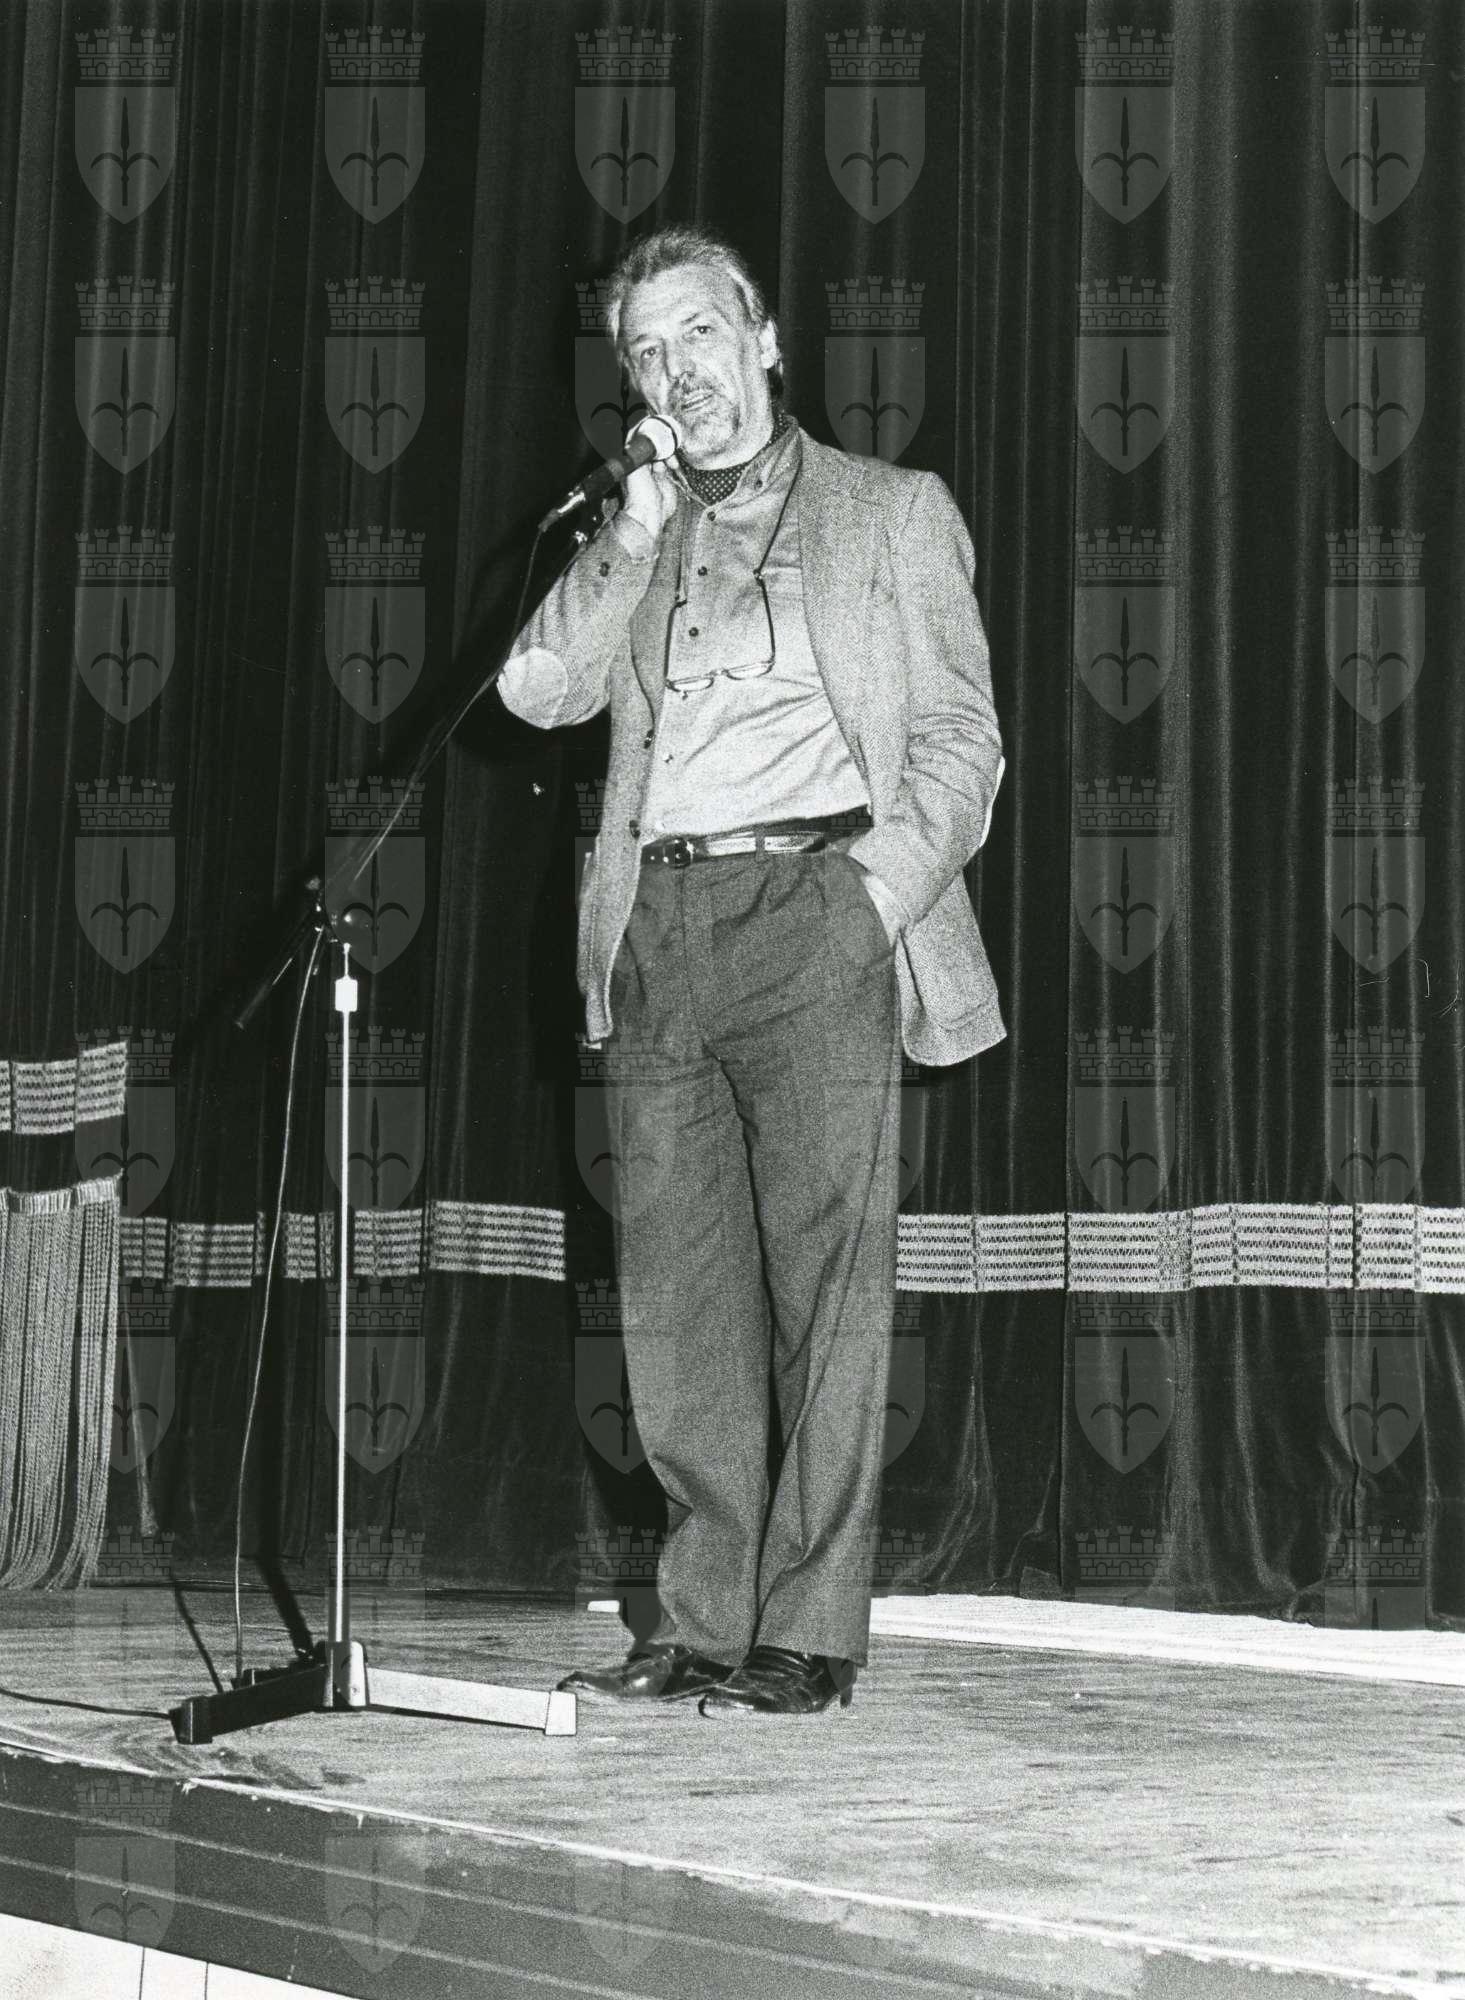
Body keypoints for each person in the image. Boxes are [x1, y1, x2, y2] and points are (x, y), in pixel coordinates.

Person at [499, 224, 1004, 1719]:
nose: (678, 372)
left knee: (825, 1293)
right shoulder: (636, 534)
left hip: (815, 909)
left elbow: (963, 741)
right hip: (656, 927)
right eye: (647, 353)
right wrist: (630, 533)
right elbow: (537, 688)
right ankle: (702, 1620)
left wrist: (869, 902)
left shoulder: (891, 511)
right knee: (677, 1297)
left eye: (700, 335)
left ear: (766, 341)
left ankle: (810, 1629)